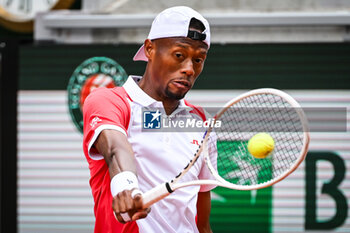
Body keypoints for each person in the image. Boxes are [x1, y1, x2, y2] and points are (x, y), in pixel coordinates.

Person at [83, 6, 216, 233]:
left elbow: (201, 224)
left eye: (198, 60)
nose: (189, 69)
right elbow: (116, 148)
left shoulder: (202, 122)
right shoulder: (110, 101)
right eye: (179, 55)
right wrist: (127, 188)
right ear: (150, 48)